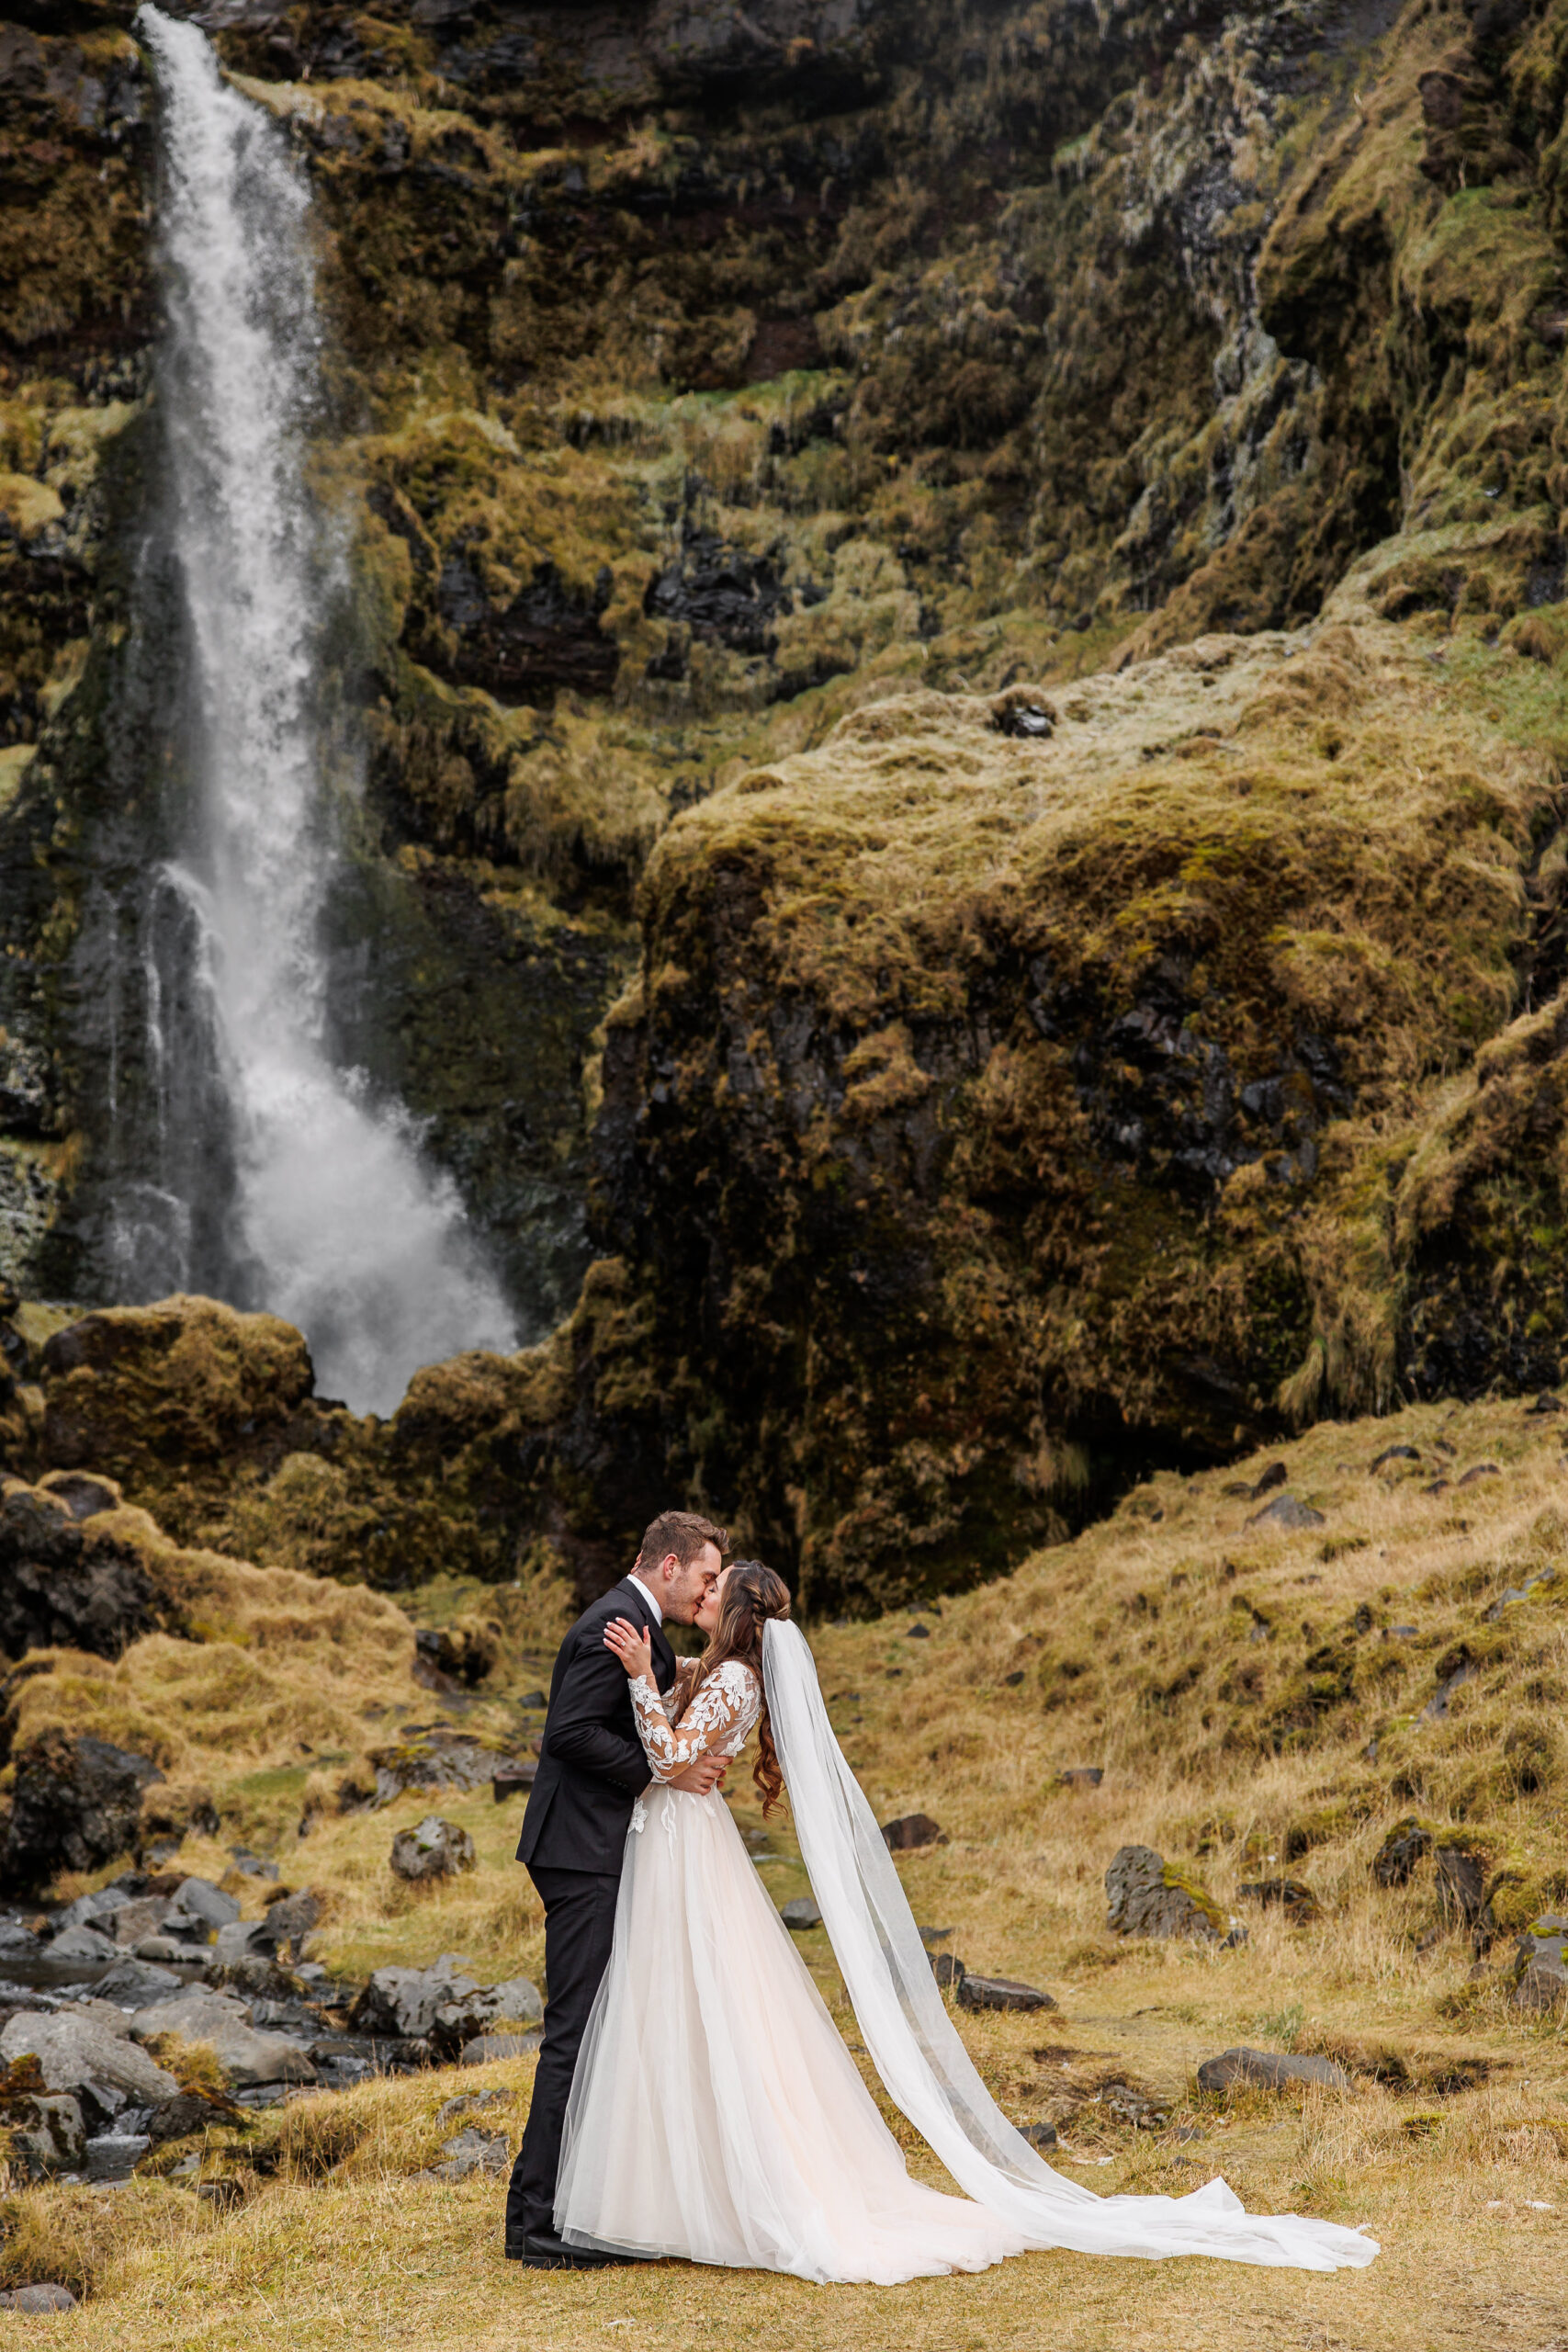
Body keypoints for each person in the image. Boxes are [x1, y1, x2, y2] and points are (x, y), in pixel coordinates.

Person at [552, 1558, 1382, 2285]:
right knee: (680, 2004)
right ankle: (670, 2183)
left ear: (733, 1608)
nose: (705, 1586)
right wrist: (653, 1683)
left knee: (701, 2000)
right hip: (674, 1840)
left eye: (717, 1582)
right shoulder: (720, 1666)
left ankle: (714, 2188)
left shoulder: (734, 1676)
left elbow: (664, 1757)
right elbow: (673, 1740)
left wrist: (635, 1677)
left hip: (687, 1845)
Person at [503, 1509, 730, 2268]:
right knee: (571, 2032)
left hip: (593, 1843)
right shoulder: (614, 1622)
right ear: (668, 1566)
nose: (705, 1591)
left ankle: (549, 2208)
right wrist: (657, 1772)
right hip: (578, 1849)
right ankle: (534, 2227)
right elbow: (567, 1732)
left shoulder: (639, 1625)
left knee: (590, 2026)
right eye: (703, 1576)